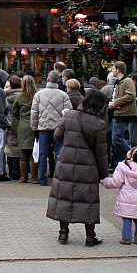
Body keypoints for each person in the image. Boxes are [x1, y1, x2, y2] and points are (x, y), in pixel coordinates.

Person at [46, 91, 110, 247]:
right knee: (88, 200)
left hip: (66, 162)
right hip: (87, 166)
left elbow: (57, 135)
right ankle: (90, 236)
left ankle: (63, 234)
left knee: (64, 197)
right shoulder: (99, 125)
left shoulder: (69, 116)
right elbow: (101, 154)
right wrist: (103, 175)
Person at [102, 147, 137, 245]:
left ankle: (126, 238)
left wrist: (104, 181)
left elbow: (116, 182)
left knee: (127, 218)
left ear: (131, 156)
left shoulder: (123, 167)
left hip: (126, 198)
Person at [31, 70, 72, 186]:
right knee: (59, 153)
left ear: (48, 79)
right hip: (58, 128)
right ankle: (59, 177)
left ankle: (42, 178)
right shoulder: (63, 95)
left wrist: (34, 128)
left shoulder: (39, 94)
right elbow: (68, 112)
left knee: (42, 154)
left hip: (43, 128)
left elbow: (34, 113)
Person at [108, 61, 136, 167]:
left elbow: (131, 95)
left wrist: (115, 102)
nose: (112, 71)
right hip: (117, 112)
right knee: (116, 140)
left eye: (113, 69)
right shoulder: (118, 82)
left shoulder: (127, 81)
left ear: (118, 69)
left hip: (123, 113)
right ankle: (118, 164)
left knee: (116, 139)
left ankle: (134, 155)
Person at [12, 75, 37, 183]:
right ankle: (34, 177)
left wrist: (21, 118)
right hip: (34, 124)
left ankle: (23, 177)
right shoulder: (37, 94)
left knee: (23, 152)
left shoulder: (19, 96)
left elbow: (14, 111)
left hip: (23, 124)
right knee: (33, 152)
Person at [4, 75, 23, 181]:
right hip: (20, 123)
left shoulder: (6, 97)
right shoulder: (22, 95)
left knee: (10, 147)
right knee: (18, 148)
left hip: (9, 123)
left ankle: (11, 172)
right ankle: (17, 172)